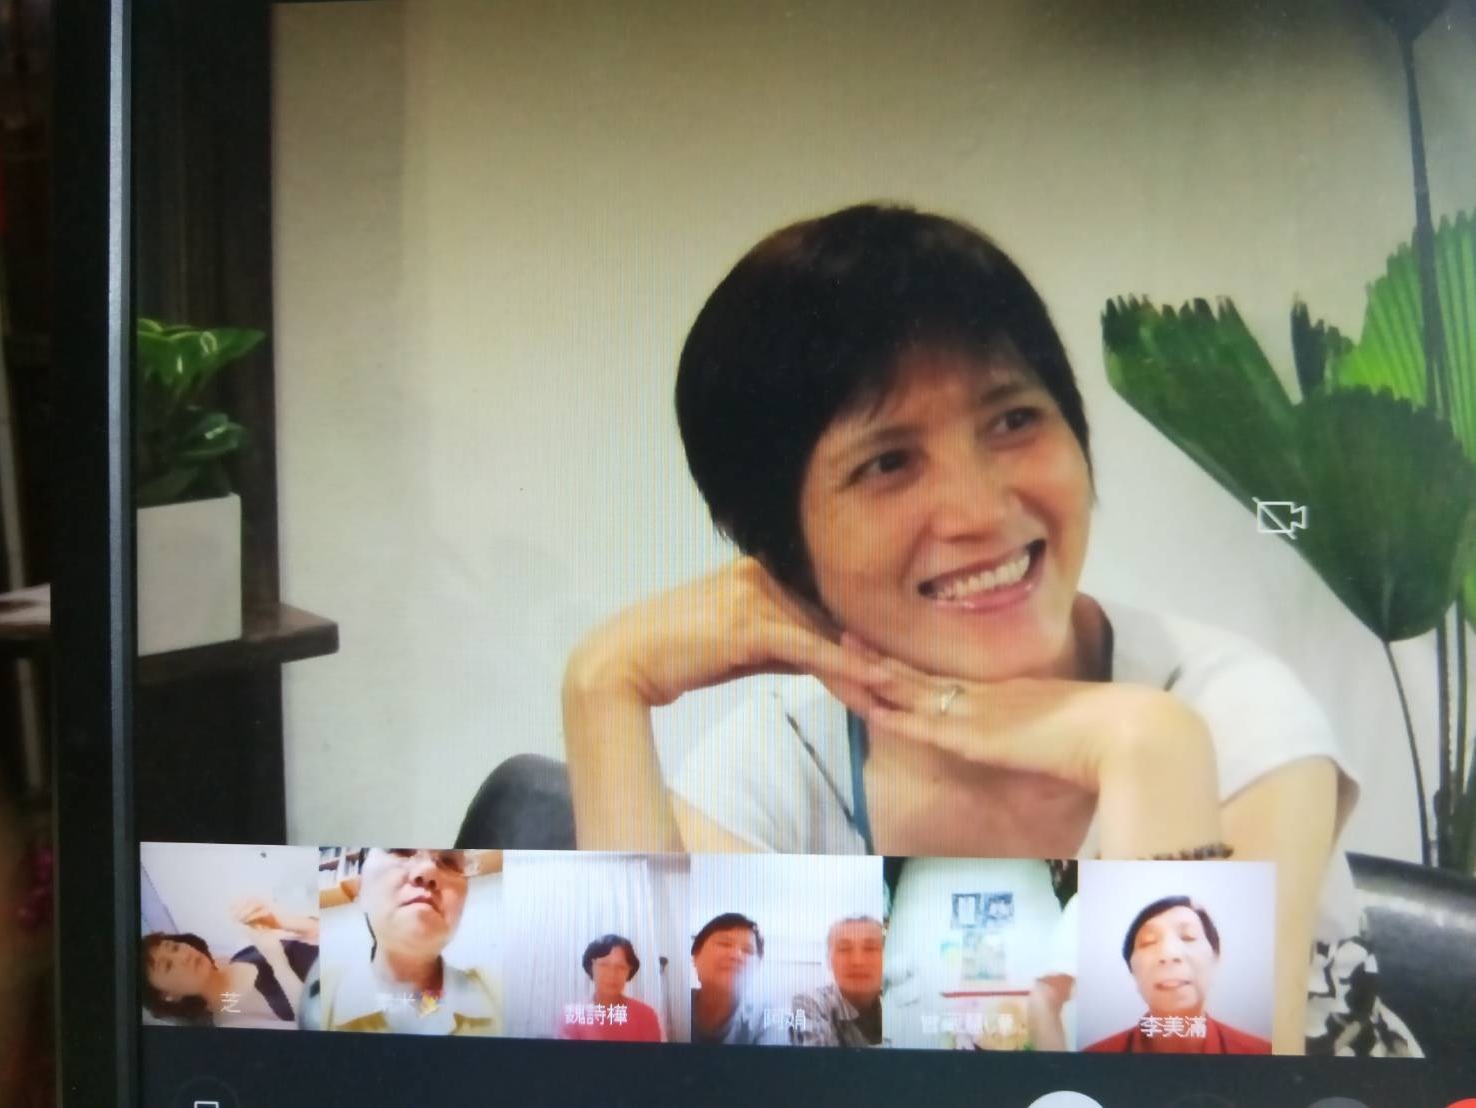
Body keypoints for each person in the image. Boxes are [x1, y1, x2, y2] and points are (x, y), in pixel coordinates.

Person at [562, 203, 1368, 1054]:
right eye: (886, 462)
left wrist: (1147, 748)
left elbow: (1199, 1091)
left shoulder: (1232, 714)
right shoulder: (782, 762)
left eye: (1012, 420)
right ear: (781, 549)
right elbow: (648, 1081)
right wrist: (602, 687)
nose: (981, 510)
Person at [316, 848, 500, 1035]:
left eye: (449, 861)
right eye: (400, 851)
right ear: (360, 889)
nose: (428, 870)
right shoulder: (318, 999)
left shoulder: (505, 996)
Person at [1083, 896, 1270, 1054]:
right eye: (1148, 942)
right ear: (1132, 971)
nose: (1169, 954)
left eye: (1188, 937)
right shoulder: (1094, 1059)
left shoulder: (1261, 1054)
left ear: (1215, 959)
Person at [140, 898, 319, 1026]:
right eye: (168, 966)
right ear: (169, 996)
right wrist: (277, 961)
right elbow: (311, 1028)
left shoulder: (235, 955)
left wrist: (281, 921)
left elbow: (319, 933)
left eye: (174, 947)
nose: (183, 956)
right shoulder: (233, 1020)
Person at [791, 915, 886, 1047]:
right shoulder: (809, 1003)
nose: (857, 961)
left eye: (870, 948)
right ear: (829, 960)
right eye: (844, 949)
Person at [689, 912, 783, 1045]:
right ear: (696, 957)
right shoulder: (669, 1007)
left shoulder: (768, 1018)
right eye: (724, 944)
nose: (736, 955)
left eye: (748, 951)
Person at [559, 933, 664, 1042]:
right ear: (591, 968)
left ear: (629, 971)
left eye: (620, 967)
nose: (612, 974)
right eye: (603, 965)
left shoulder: (646, 1015)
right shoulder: (572, 1016)